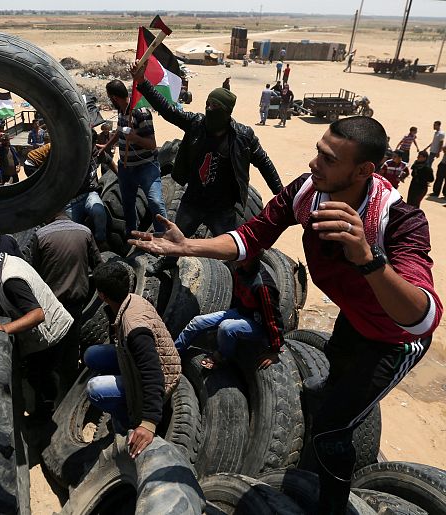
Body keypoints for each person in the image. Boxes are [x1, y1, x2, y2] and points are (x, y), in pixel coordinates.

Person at [129, 116, 441, 514]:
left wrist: (369, 259)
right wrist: (187, 246)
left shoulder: (398, 221)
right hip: (354, 319)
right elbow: (250, 237)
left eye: (328, 159)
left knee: (332, 428)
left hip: (393, 341)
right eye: (317, 150)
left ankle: (332, 507)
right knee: (326, 388)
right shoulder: (310, 192)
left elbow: (422, 316)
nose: (314, 163)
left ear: (364, 171)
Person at [130, 66, 282, 274]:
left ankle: (242, 280)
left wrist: (280, 192)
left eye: (215, 106)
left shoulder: (243, 136)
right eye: (207, 104)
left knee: (234, 250)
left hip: (223, 208)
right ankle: (166, 264)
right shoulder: (196, 124)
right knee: (176, 240)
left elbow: (264, 162)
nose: (209, 109)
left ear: (227, 112)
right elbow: (167, 110)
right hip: (193, 200)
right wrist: (142, 82)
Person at [83, 261, 180, 457]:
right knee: (91, 355)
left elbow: (153, 374)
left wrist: (148, 423)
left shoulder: (135, 329)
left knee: (95, 389)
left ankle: (126, 424)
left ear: (102, 296)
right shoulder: (129, 300)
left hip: (162, 378)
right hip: (136, 360)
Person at [0, 238, 74, 418]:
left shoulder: (10, 280)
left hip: (50, 333)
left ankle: (47, 416)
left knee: (42, 378)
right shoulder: (9, 260)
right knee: (49, 373)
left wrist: (4, 328)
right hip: (54, 324)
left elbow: (37, 314)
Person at [27, 211, 103, 390]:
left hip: (50, 304)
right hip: (75, 302)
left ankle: (48, 394)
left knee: (49, 349)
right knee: (70, 349)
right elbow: (98, 265)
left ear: (50, 216)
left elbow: (33, 271)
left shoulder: (41, 235)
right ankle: (68, 390)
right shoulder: (84, 232)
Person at [174, 251, 285, 370]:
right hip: (242, 312)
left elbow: (273, 318)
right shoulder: (240, 270)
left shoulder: (263, 286)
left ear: (246, 259)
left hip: (260, 326)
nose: (232, 258)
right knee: (197, 321)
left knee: (226, 327)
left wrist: (275, 350)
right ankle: (173, 354)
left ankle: (222, 356)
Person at [101, 79, 168, 237]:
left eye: (110, 98)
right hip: (126, 168)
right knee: (128, 204)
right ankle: (131, 235)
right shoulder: (122, 110)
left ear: (114, 98)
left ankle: (164, 236)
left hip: (146, 166)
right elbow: (119, 131)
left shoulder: (141, 112)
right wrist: (106, 146)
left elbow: (152, 144)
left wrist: (135, 138)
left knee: (155, 202)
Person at [67, 154, 108, 248]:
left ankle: (101, 240)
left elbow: (109, 161)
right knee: (72, 231)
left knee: (99, 211)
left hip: (89, 193)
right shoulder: (68, 154)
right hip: (71, 199)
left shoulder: (97, 153)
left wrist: (119, 176)